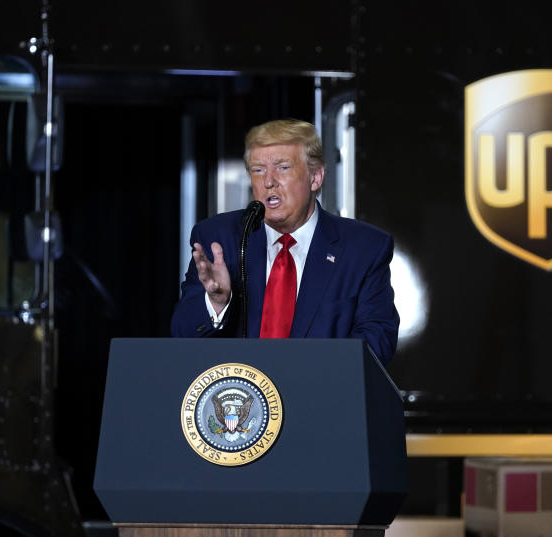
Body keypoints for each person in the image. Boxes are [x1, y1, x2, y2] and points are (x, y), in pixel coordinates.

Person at [170, 119, 399, 366]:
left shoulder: (362, 248)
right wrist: (216, 303)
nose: (269, 181)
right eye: (258, 170)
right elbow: (182, 333)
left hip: (319, 398)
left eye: (282, 168)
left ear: (315, 177)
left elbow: (378, 343)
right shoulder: (220, 238)